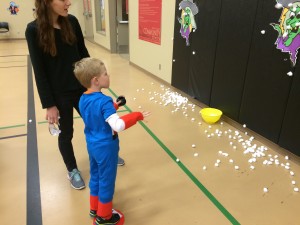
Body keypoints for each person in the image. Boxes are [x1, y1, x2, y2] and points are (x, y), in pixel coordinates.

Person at [25, 0, 125, 190]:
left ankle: (106, 154)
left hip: (83, 90)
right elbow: (39, 70)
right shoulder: (33, 30)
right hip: (58, 95)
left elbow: (84, 56)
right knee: (66, 134)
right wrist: (49, 104)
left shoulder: (72, 22)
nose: (68, 2)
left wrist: (95, 85)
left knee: (101, 123)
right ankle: (72, 169)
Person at [73, 57, 150, 225]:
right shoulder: (104, 101)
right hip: (106, 148)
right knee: (107, 180)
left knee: (96, 176)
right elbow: (118, 125)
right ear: (96, 80)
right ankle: (105, 217)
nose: (108, 76)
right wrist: (137, 115)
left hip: (92, 145)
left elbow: (96, 114)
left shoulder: (83, 98)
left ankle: (94, 208)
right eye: (105, 74)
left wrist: (115, 106)